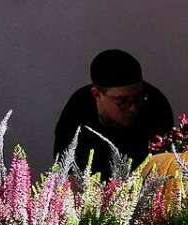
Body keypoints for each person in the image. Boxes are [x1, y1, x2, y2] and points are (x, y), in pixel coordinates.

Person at [53, 49, 174, 178]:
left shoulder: (155, 106)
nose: (133, 108)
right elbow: (65, 169)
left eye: (138, 99)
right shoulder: (76, 112)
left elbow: (166, 163)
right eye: (122, 101)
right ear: (97, 94)